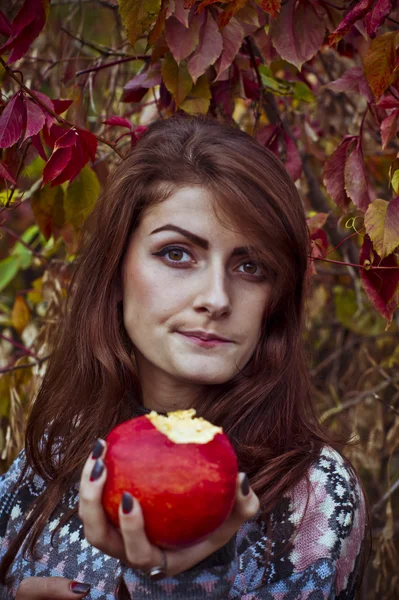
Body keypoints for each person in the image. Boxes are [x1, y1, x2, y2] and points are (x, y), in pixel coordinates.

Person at [0, 114, 366, 599]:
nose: (216, 298)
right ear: (116, 272)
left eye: (250, 266)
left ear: (274, 299)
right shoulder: (56, 449)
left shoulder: (310, 496)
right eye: (177, 254)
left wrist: (177, 581)